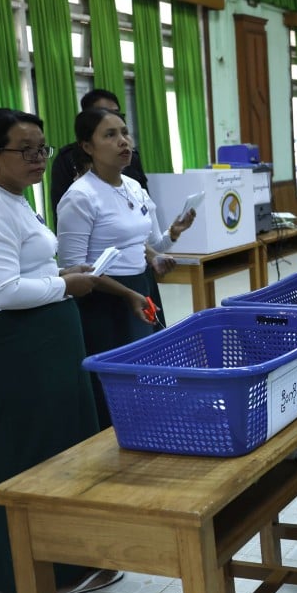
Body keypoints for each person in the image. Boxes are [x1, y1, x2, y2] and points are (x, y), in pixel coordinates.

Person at [0, 108, 122, 593]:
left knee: (58, 448)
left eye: (43, 147)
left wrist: (64, 273)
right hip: (11, 349)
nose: (39, 158)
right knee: (22, 455)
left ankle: (66, 559)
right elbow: (1, 290)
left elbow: (28, 269)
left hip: (42, 344)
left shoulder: (12, 198)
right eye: (26, 149)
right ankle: (29, 574)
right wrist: (64, 284)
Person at [57, 108, 196, 430]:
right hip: (103, 299)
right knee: (115, 381)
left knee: (144, 370)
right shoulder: (80, 197)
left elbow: (151, 245)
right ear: (87, 147)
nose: (123, 142)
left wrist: (174, 233)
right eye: (110, 135)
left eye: (124, 132)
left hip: (139, 289)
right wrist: (127, 292)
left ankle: (148, 433)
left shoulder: (133, 186)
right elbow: (72, 268)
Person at [50, 88, 148, 218]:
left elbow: (146, 208)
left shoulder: (131, 157)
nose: (112, 118)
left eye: (117, 113)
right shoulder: (68, 159)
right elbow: (63, 214)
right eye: (104, 112)